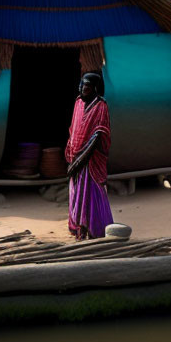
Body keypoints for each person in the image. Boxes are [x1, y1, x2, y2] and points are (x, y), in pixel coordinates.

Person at [65, 73, 113, 239]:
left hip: (91, 160)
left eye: (85, 86)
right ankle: (80, 229)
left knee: (90, 195)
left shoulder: (101, 106)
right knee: (76, 194)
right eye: (80, 85)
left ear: (94, 88)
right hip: (76, 155)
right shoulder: (78, 102)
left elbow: (98, 135)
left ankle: (94, 229)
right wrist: (72, 156)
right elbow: (73, 130)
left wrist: (80, 161)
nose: (81, 88)